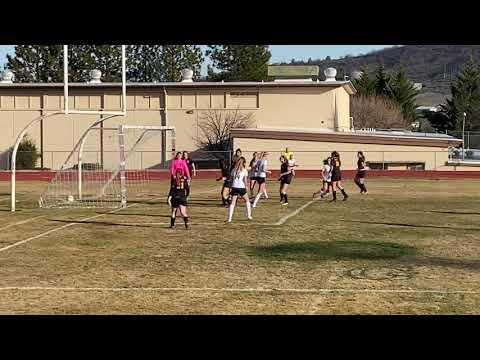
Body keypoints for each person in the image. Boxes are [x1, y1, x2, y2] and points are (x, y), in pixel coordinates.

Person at [227, 157, 252, 223]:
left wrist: (231, 187)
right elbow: (245, 181)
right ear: (244, 163)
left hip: (234, 187)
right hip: (241, 187)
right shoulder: (244, 170)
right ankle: (249, 215)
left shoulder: (233, 170)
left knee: (233, 203)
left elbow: (231, 180)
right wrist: (246, 187)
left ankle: (229, 219)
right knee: (247, 200)